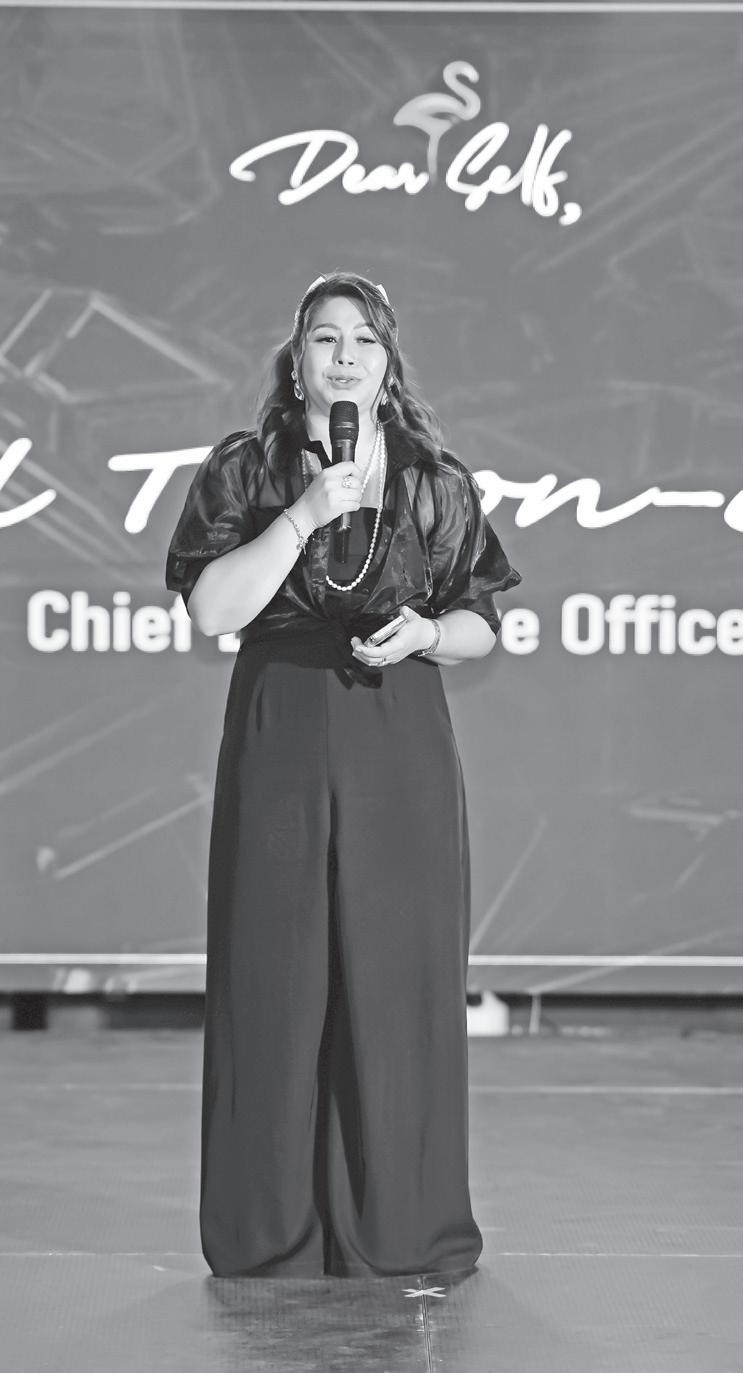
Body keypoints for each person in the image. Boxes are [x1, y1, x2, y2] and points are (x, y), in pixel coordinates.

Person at [165, 271, 522, 1281]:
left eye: (364, 339)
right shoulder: (246, 468)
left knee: (397, 972)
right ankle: (267, 1228)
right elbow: (212, 609)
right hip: (280, 723)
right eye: (325, 338)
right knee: (272, 969)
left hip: (395, 730)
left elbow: (479, 623)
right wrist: (304, 511)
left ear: (387, 363)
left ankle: (401, 1223)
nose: (345, 356)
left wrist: (427, 633)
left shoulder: (433, 479)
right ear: (297, 362)